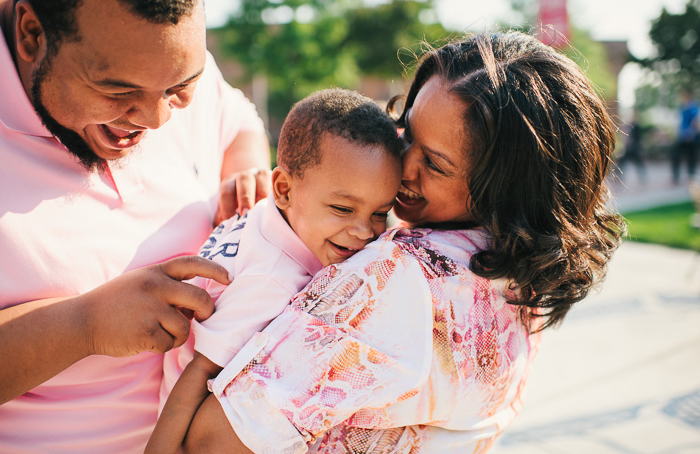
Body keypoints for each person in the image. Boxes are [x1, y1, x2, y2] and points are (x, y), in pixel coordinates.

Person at [179, 31, 625, 453]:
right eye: (407, 133)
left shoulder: (396, 276)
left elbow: (215, 441)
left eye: (433, 163)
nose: (401, 166)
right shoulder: (524, 270)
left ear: (503, 190)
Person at [0, 0, 271, 452]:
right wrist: (84, 324)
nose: (157, 117)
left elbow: (237, 120)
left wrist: (247, 178)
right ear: (32, 35)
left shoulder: (159, 53)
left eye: (180, 89)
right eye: (118, 92)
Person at [146, 88, 403, 453]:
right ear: (283, 188)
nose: (365, 231)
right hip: (193, 427)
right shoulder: (274, 279)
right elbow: (199, 372)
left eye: (380, 212)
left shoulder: (262, 217)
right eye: (343, 209)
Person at [671, 89, 699, 184]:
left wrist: (692, 134)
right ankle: (676, 176)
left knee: (691, 157)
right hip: (682, 136)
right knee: (676, 155)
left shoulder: (693, 107)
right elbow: (679, 121)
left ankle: (691, 177)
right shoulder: (682, 107)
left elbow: (696, 121)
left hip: (691, 137)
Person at [617, 109, 646, 183]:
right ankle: (618, 177)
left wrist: (634, 143)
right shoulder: (629, 126)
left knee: (638, 163)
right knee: (622, 162)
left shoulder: (637, 127)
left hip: (635, 148)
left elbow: (638, 138)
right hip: (629, 148)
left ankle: (642, 177)